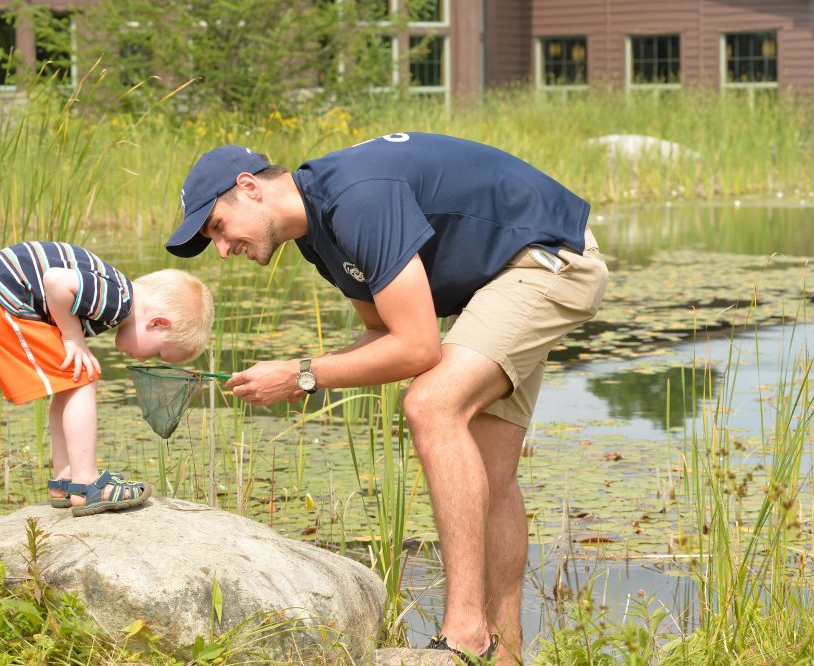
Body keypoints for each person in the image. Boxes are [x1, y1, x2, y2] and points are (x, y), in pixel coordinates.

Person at [166, 133, 607, 663]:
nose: (222, 248)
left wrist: (303, 375)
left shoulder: (357, 198)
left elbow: (418, 348)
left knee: (432, 405)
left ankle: (465, 632)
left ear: (249, 188)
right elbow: (386, 333)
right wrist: (293, 373)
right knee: (489, 469)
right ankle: (506, 652)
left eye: (218, 226)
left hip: (545, 260)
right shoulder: (320, 236)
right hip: (499, 281)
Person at [0, 241, 214, 517]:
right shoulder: (118, 300)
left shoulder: (116, 291)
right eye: (159, 353)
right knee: (84, 375)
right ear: (158, 322)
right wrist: (72, 337)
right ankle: (87, 482)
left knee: (72, 380)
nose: (145, 360)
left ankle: (65, 479)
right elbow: (56, 282)